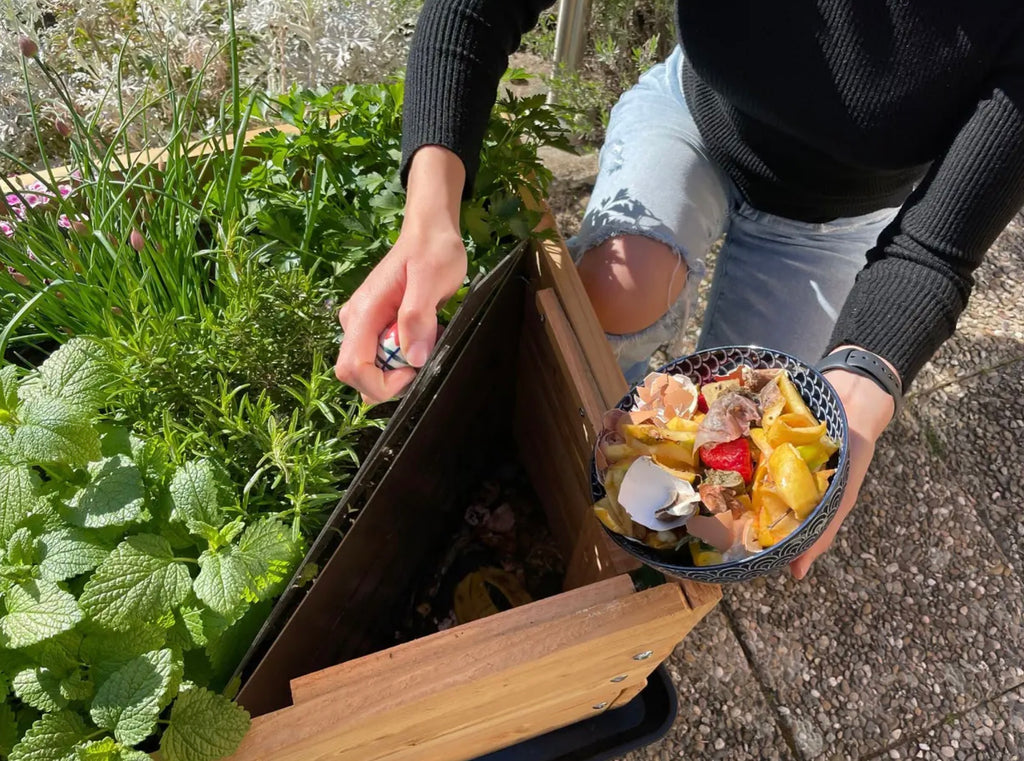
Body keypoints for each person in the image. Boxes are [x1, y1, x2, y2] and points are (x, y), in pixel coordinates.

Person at [335, 0, 1024, 579]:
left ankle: (645, 495)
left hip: (837, 219)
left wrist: (868, 373)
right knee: (614, 290)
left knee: (737, 473)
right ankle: (602, 433)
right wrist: (428, 219)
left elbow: (934, 248)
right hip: (697, 115)